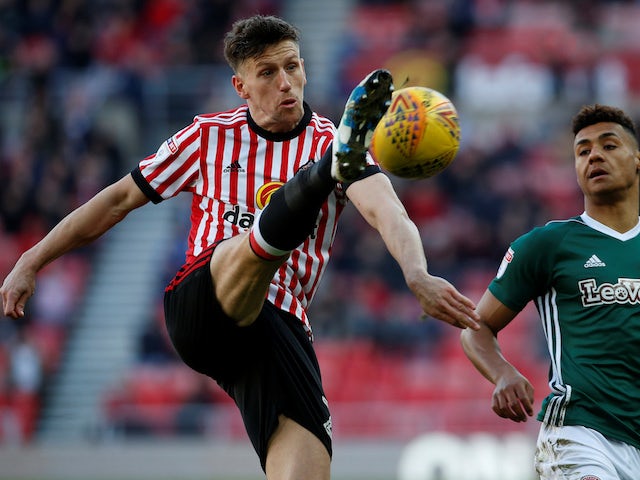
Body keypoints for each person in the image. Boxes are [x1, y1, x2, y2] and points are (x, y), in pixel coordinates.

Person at [1, 14, 480, 480]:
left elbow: (388, 212)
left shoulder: (330, 138)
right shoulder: (208, 136)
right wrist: (32, 258)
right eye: (268, 73)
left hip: (276, 331)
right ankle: (316, 180)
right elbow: (118, 199)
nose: (286, 83)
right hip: (202, 303)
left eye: (292, 67)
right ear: (242, 87)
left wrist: (416, 273)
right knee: (253, 246)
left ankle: (314, 184)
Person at [460, 104, 640, 479]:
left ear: (637, 160)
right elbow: (476, 327)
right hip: (583, 434)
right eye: (583, 150)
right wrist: (503, 373)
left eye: (609, 145)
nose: (594, 155)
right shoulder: (549, 244)